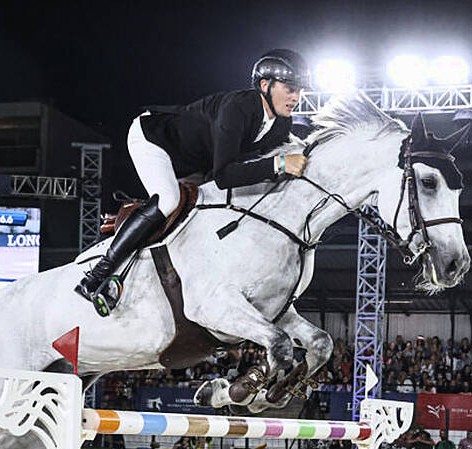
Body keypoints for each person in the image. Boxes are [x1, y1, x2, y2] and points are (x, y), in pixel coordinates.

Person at [76, 49, 312, 316]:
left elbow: (248, 170)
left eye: (300, 91)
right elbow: (224, 176)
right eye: (290, 88)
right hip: (155, 140)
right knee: (168, 200)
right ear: (265, 85)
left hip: (196, 163)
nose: (296, 97)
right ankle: (96, 276)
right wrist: (280, 164)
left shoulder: (281, 124)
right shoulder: (238, 108)